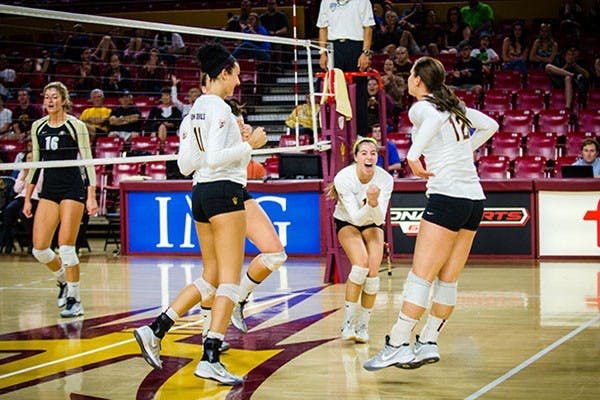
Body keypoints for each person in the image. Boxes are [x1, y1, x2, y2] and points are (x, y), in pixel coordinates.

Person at [133, 43, 267, 386]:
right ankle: (210, 356)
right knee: (229, 280)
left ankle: (155, 329)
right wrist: (252, 144)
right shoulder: (221, 109)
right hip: (224, 192)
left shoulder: (193, 112)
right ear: (223, 73)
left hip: (200, 194)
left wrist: (231, 147)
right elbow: (213, 159)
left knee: (210, 275)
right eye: (235, 75)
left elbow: (185, 164)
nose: (238, 82)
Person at [363, 56, 498, 371]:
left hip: (447, 196)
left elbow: (433, 124)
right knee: (447, 280)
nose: (408, 78)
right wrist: (465, 150)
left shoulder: (421, 107)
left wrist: (412, 155)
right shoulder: (453, 107)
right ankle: (427, 341)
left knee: (420, 277)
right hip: (473, 200)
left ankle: (397, 343)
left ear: (418, 80)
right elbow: (491, 125)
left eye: (410, 74)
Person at [24, 81, 98, 318]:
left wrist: (91, 195)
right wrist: (27, 197)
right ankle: (63, 281)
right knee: (40, 249)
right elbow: (35, 165)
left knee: (66, 247)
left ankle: (75, 300)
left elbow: (87, 162)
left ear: (64, 100)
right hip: (50, 189)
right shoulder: (38, 127)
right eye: (46, 97)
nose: (50, 101)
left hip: (72, 188)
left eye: (54, 97)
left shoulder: (76, 126)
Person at [329, 136, 393, 343]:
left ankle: (363, 326)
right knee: (361, 265)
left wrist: (373, 203)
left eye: (373, 153)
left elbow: (379, 218)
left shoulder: (385, 179)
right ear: (356, 157)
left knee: (373, 272)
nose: (369, 157)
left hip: (373, 221)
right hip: (348, 221)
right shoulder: (344, 178)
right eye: (364, 153)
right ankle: (348, 323)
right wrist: (371, 202)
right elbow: (356, 217)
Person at [317, 0, 375, 137]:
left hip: (356, 46)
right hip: (334, 47)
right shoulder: (326, 2)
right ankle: (334, 134)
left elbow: (368, 28)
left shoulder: (363, 2)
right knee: (332, 92)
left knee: (358, 91)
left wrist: (365, 53)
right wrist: (322, 53)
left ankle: (360, 134)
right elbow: (322, 28)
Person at [0, 151, 42, 254]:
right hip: (21, 197)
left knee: (23, 214)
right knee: (8, 211)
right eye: (28, 158)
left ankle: (31, 243)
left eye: (32, 158)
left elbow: (40, 188)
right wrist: (24, 176)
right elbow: (16, 189)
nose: (30, 160)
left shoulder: (41, 171)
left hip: (35, 198)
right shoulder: (23, 172)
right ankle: (6, 243)